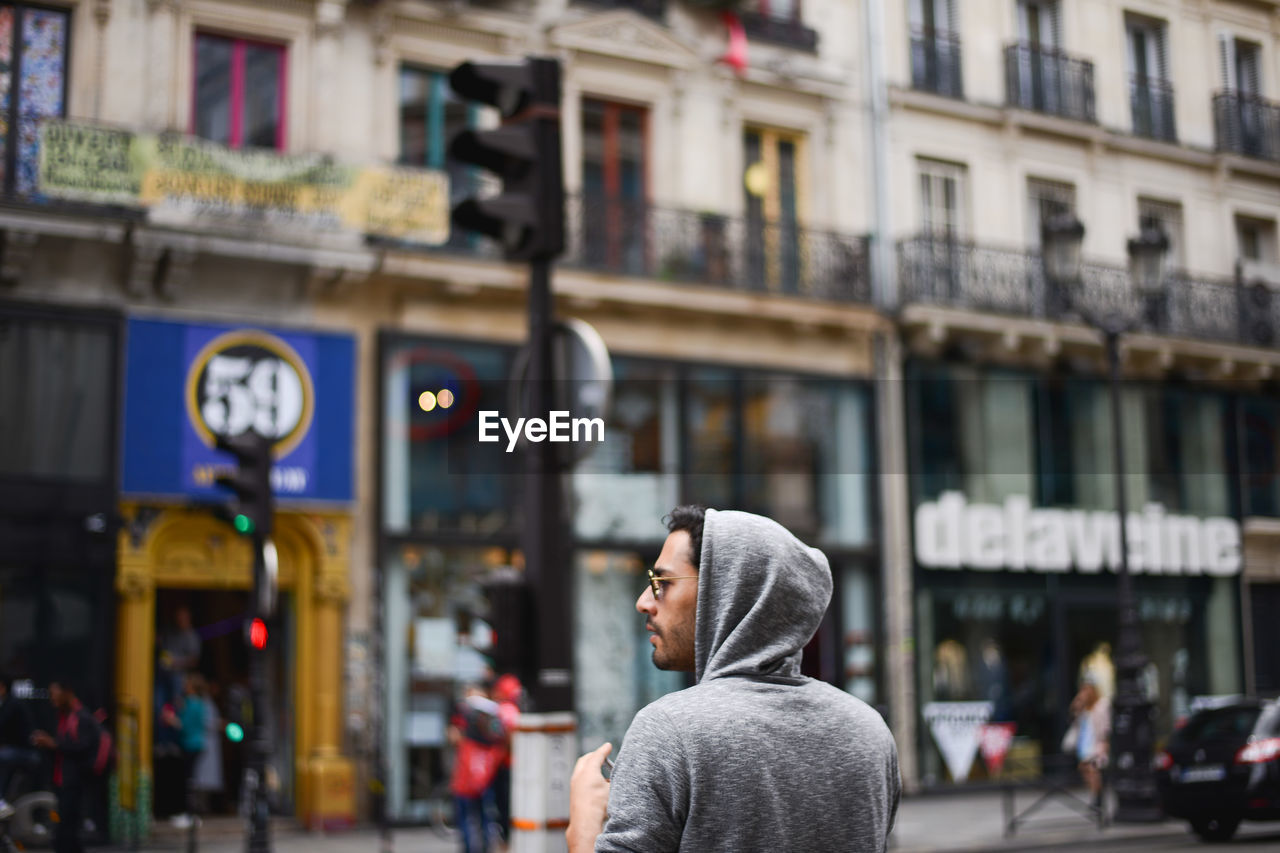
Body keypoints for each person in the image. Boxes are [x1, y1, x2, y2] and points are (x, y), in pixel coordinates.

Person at [567, 506, 901, 852]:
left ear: (724, 591)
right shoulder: (869, 732)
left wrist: (582, 825)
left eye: (662, 582)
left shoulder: (670, 730)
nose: (644, 602)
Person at [30, 679, 97, 853]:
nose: (52, 698)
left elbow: (83, 746)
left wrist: (54, 744)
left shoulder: (80, 717)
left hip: (74, 781)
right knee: (66, 831)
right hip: (61, 779)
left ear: (66, 692)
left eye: (55, 693)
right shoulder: (63, 716)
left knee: (67, 831)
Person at [449, 684, 506, 853]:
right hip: (484, 780)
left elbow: (454, 737)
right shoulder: (492, 727)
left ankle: (470, 849)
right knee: (484, 817)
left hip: (466, 783)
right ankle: (484, 848)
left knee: (467, 819)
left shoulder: (467, 724)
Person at [162, 674, 208, 829]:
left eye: (187, 684)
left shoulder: (192, 703)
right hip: (196, 744)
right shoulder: (198, 703)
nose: (184, 686)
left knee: (188, 779)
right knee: (191, 778)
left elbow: (184, 725)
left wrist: (170, 719)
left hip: (190, 744)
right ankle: (191, 814)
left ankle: (190, 815)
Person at [1063, 671, 1111, 810]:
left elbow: (1106, 727)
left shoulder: (1101, 705)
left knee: (1093, 770)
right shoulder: (1083, 708)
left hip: (1097, 743)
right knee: (1085, 770)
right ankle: (1096, 795)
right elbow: (1073, 720)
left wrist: (1105, 744)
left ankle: (1098, 798)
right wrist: (1077, 703)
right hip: (1084, 743)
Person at [0, 673, 38, 819]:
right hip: (14, 751)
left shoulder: (12, 704)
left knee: (3, 757)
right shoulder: (6, 704)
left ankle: (1, 801)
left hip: (27, 753)